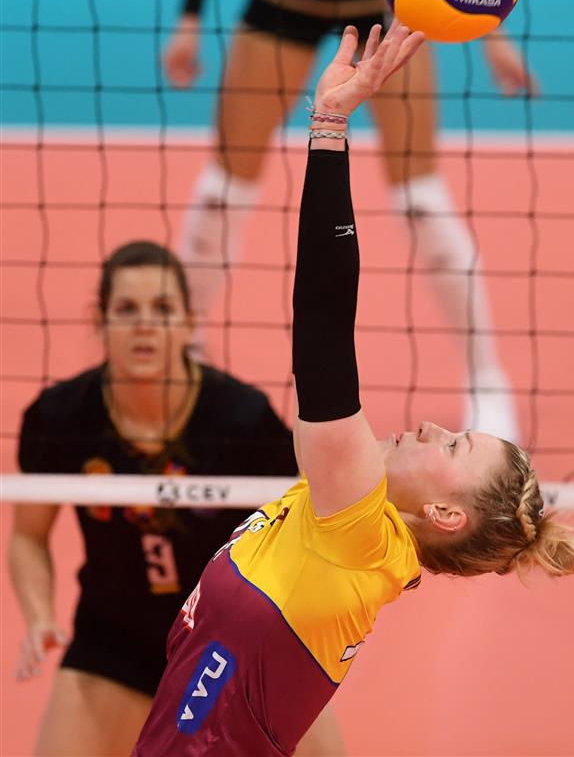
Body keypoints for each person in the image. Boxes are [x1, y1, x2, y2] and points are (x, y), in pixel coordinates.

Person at [133, 23, 574, 757]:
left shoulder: (357, 526)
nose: (433, 426)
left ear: (443, 514)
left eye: (454, 446)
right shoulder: (341, 525)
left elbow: (321, 325)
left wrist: (329, 128)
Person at [164, 0, 536, 444]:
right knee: (223, 190)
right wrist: (188, 18)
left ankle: (487, 381)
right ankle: (185, 361)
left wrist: (492, 34)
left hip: (388, 15)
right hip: (282, 0)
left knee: (421, 198)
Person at [8, 240, 345, 757]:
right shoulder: (60, 418)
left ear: (189, 323)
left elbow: (304, 529)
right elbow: (28, 536)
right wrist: (38, 617)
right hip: (113, 647)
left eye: (163, 309)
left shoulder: (242, 419)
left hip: (235, 640)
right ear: (101, 321)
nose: (145, 325)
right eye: (127, 309)